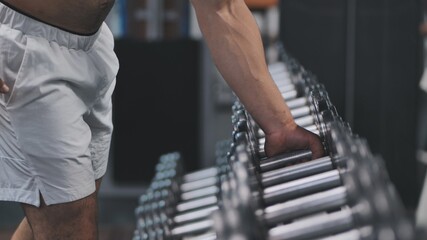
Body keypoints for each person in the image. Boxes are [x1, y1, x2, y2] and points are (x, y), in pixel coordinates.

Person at [0, 0, 325, 239]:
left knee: (61, 205)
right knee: (70, 221)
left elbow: (220, 7)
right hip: (24, 48)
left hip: (89, 44)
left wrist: (280, 126)